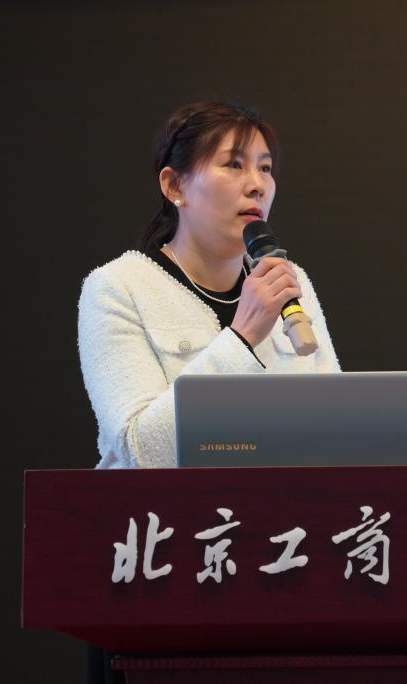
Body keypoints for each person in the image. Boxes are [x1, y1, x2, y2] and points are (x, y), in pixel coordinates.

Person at [77, 100, 341, 468]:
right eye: (234, 165)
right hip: (166, 506)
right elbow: (140, 453)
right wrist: (242, 338)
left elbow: (336, 432)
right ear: (174, 185)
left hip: (278, 504)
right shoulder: (119, 288)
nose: (258, 185)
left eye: (265, 168)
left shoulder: (290, 282)